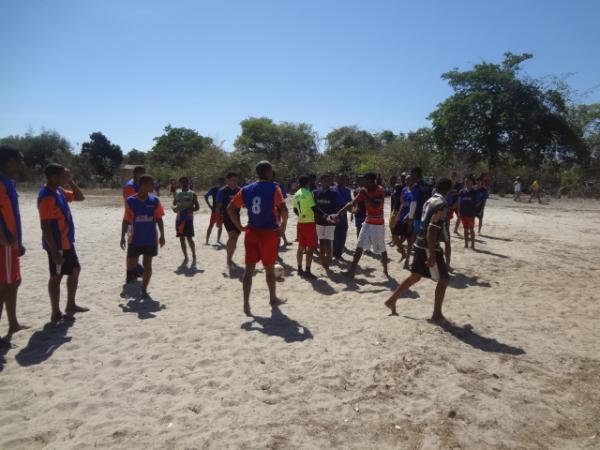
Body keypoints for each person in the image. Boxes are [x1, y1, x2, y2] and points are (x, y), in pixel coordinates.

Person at [384, 178, 453, 323]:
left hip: (420, 244)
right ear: (449, 191)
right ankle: (437, 314)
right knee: (444, 279)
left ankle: (392, 299)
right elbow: (432, 230)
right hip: (429, 246)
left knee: (415, 276)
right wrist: (433, 254)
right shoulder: (441, 204)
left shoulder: (430, 200)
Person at [226, 161, 288, 316]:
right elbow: (284, 210)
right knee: (269, 269)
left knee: (249, 270)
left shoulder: (246, 189)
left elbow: (230, 209)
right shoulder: (274, 188)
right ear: (268, 172)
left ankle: (246, 304)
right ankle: (272, 299)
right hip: (268, 234)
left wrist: (240, 227)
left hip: (251, 233)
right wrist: (283, 227)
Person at [38, 163, 88, 322]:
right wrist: (54, 252)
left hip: (67, 242)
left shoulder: (58, 191)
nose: (65, 178)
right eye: (63, 175)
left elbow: (80, 197)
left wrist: (71, 182)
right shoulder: (46, 196)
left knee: (75, 269)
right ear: (53, 177)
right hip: (57, 245)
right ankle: (55, 312)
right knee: (56, 276)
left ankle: (71, 304)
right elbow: (45, 226)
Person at [334, 172, 388, 278]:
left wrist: (365, 195)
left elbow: (376, 205)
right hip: (367, 222)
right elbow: (352, 203)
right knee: (359, 246)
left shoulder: (380, 190)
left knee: (381, 248)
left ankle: (385, 270)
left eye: (365, 180)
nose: (362, 182)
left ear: (371, 181)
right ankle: (352, 271)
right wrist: (339, 212)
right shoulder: (364, 191)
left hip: (378, 225)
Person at [120, 175, 165, 298]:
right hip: (134, 238)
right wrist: (122, 237)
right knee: (131, 263)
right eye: (152, 184)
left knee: (148, 263)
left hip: (150, 238)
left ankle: (144, 289)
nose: (154, 186)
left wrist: (162, 235)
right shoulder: (130, 201)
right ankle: (136, 273)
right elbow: (125, 220)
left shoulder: (155, 201)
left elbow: (159, 219)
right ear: (144, 185)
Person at [0, 146, 26, 335]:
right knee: (4, 285)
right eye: (19, 160)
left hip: (12, 243)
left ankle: (13, 323)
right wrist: (6, 235)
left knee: (14, 282)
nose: (21, 164)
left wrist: (19, 241)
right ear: (9, 161)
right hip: (4, 244)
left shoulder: (9, 182)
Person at [406, 167, 433, 269]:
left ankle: (408, 260)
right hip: (428, 215)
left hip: (418, 216)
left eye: (413, 174)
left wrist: (410, 218)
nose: (411, 176)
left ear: (417, 175)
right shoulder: (428, 185)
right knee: (427, 240)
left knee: (412, 239)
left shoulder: (416, 186)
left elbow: (413, 203)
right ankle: (427, 262)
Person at [122, 166, 145, 281]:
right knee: (131, 248)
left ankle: (135, 270)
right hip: (131, 221)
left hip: (139, 220)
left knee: (137, 247)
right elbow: (131, 204)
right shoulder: (130, 186)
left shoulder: (139, 185)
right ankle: (129, 273)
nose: (143, 176)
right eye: (141, 173)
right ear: (135, 174)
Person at [313, 173, 339, 270]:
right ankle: (323, 261)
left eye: (329, 180)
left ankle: (327, 262)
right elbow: (313, 207)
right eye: (325, 180)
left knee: (328, 242)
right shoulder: (315, 193)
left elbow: (337, 208)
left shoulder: (334, 193)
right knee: (321, 242)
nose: (327, 182)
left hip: (330, 222)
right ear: (321, 181)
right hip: (319, 222)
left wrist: (335, 218)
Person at [292, 175, 317, 278]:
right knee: (310, 248)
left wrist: (301, 215)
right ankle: (308, 271)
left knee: (301, 247)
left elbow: (294, 209)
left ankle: (299, 269)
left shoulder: (296, 193)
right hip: (309, 222)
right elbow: (314, 207)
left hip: (301, 222)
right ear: (308, 183)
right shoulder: (308, 193)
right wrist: (324, 216)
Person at [173, 176, 199, 265]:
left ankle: (194, 255)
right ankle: (186, 257)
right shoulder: (177, 193)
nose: (184, 183)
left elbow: (197, 207)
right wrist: (174, 208)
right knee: (181, 239)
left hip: (188, 219)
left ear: (188, 183)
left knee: (189, 238)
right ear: (180, 183)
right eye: (182, 182)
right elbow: (174, 204)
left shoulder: (192, 194)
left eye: (185, 182)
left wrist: (192, 209)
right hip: (179, 219)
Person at [216, 172, 241, 267]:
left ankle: (230, 257)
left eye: (236, 180)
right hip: (227, 217)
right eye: (232, 180)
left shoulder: (240, 190)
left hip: (237, 217)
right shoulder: (222, 191)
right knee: (232, 237)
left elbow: (245, 203)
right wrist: (218, 220)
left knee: (235, 240)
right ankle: (228, 259)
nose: (234, 182)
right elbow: (218, 206)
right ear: (227, 180)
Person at [392, 175, 415, 262]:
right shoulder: (404, 189)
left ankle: (407, 259)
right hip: (402, 215)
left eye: (409, 180)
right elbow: (402, 202)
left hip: (410, 217)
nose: (407, 182)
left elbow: (415, 205)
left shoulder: (415, 191)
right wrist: (399, 213)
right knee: (394, 236)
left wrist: (410, 216)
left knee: (409, 240)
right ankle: (403, 253)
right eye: (406, 180)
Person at [332, 174, 352, 259]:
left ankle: (338, 253)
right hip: (333, 215)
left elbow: (350, 203)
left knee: (342, 235)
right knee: (334, 234)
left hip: (343, 216)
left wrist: (352, 211)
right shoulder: (332, 189)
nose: (342, 181)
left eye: (343, 179)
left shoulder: (347, 190)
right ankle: (334, 252)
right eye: (340, 179)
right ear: (337, 179)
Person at [445, 172, 461, 265]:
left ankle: (455, 230)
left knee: (459, 216)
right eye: (452, 176)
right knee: (448, 219)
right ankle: (447, 230)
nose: (453, 178)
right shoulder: (448, 184)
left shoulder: (459, 185)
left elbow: (459, 195)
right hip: (449, 204)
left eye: (455, 177)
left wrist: (457, 204)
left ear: (456, 177)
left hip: (456, 203)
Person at [458, 176, 477, 249]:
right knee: (465, 229)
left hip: (471, 214)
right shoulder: (461, 191)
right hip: (463, 213)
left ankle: (472, 244)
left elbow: (477, 203)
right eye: (466, 181)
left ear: (472, 183)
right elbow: (459, 202)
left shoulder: (474, 192)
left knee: (471, 229)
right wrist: (459, 212)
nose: (467, 183)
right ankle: (466, 244)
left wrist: (476, 211)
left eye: (468, 181)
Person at [204, 178, 224, 245]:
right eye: (220, 181)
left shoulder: (226, 190)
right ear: (218, 182)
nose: (221, 183)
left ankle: (218, 240)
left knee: (220, 226)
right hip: (215, 211)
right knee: (211, 225)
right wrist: (209, 206)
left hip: (222, 211)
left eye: (222, 182)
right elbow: (205, 196)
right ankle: (207, 241)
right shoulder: (213, 189)